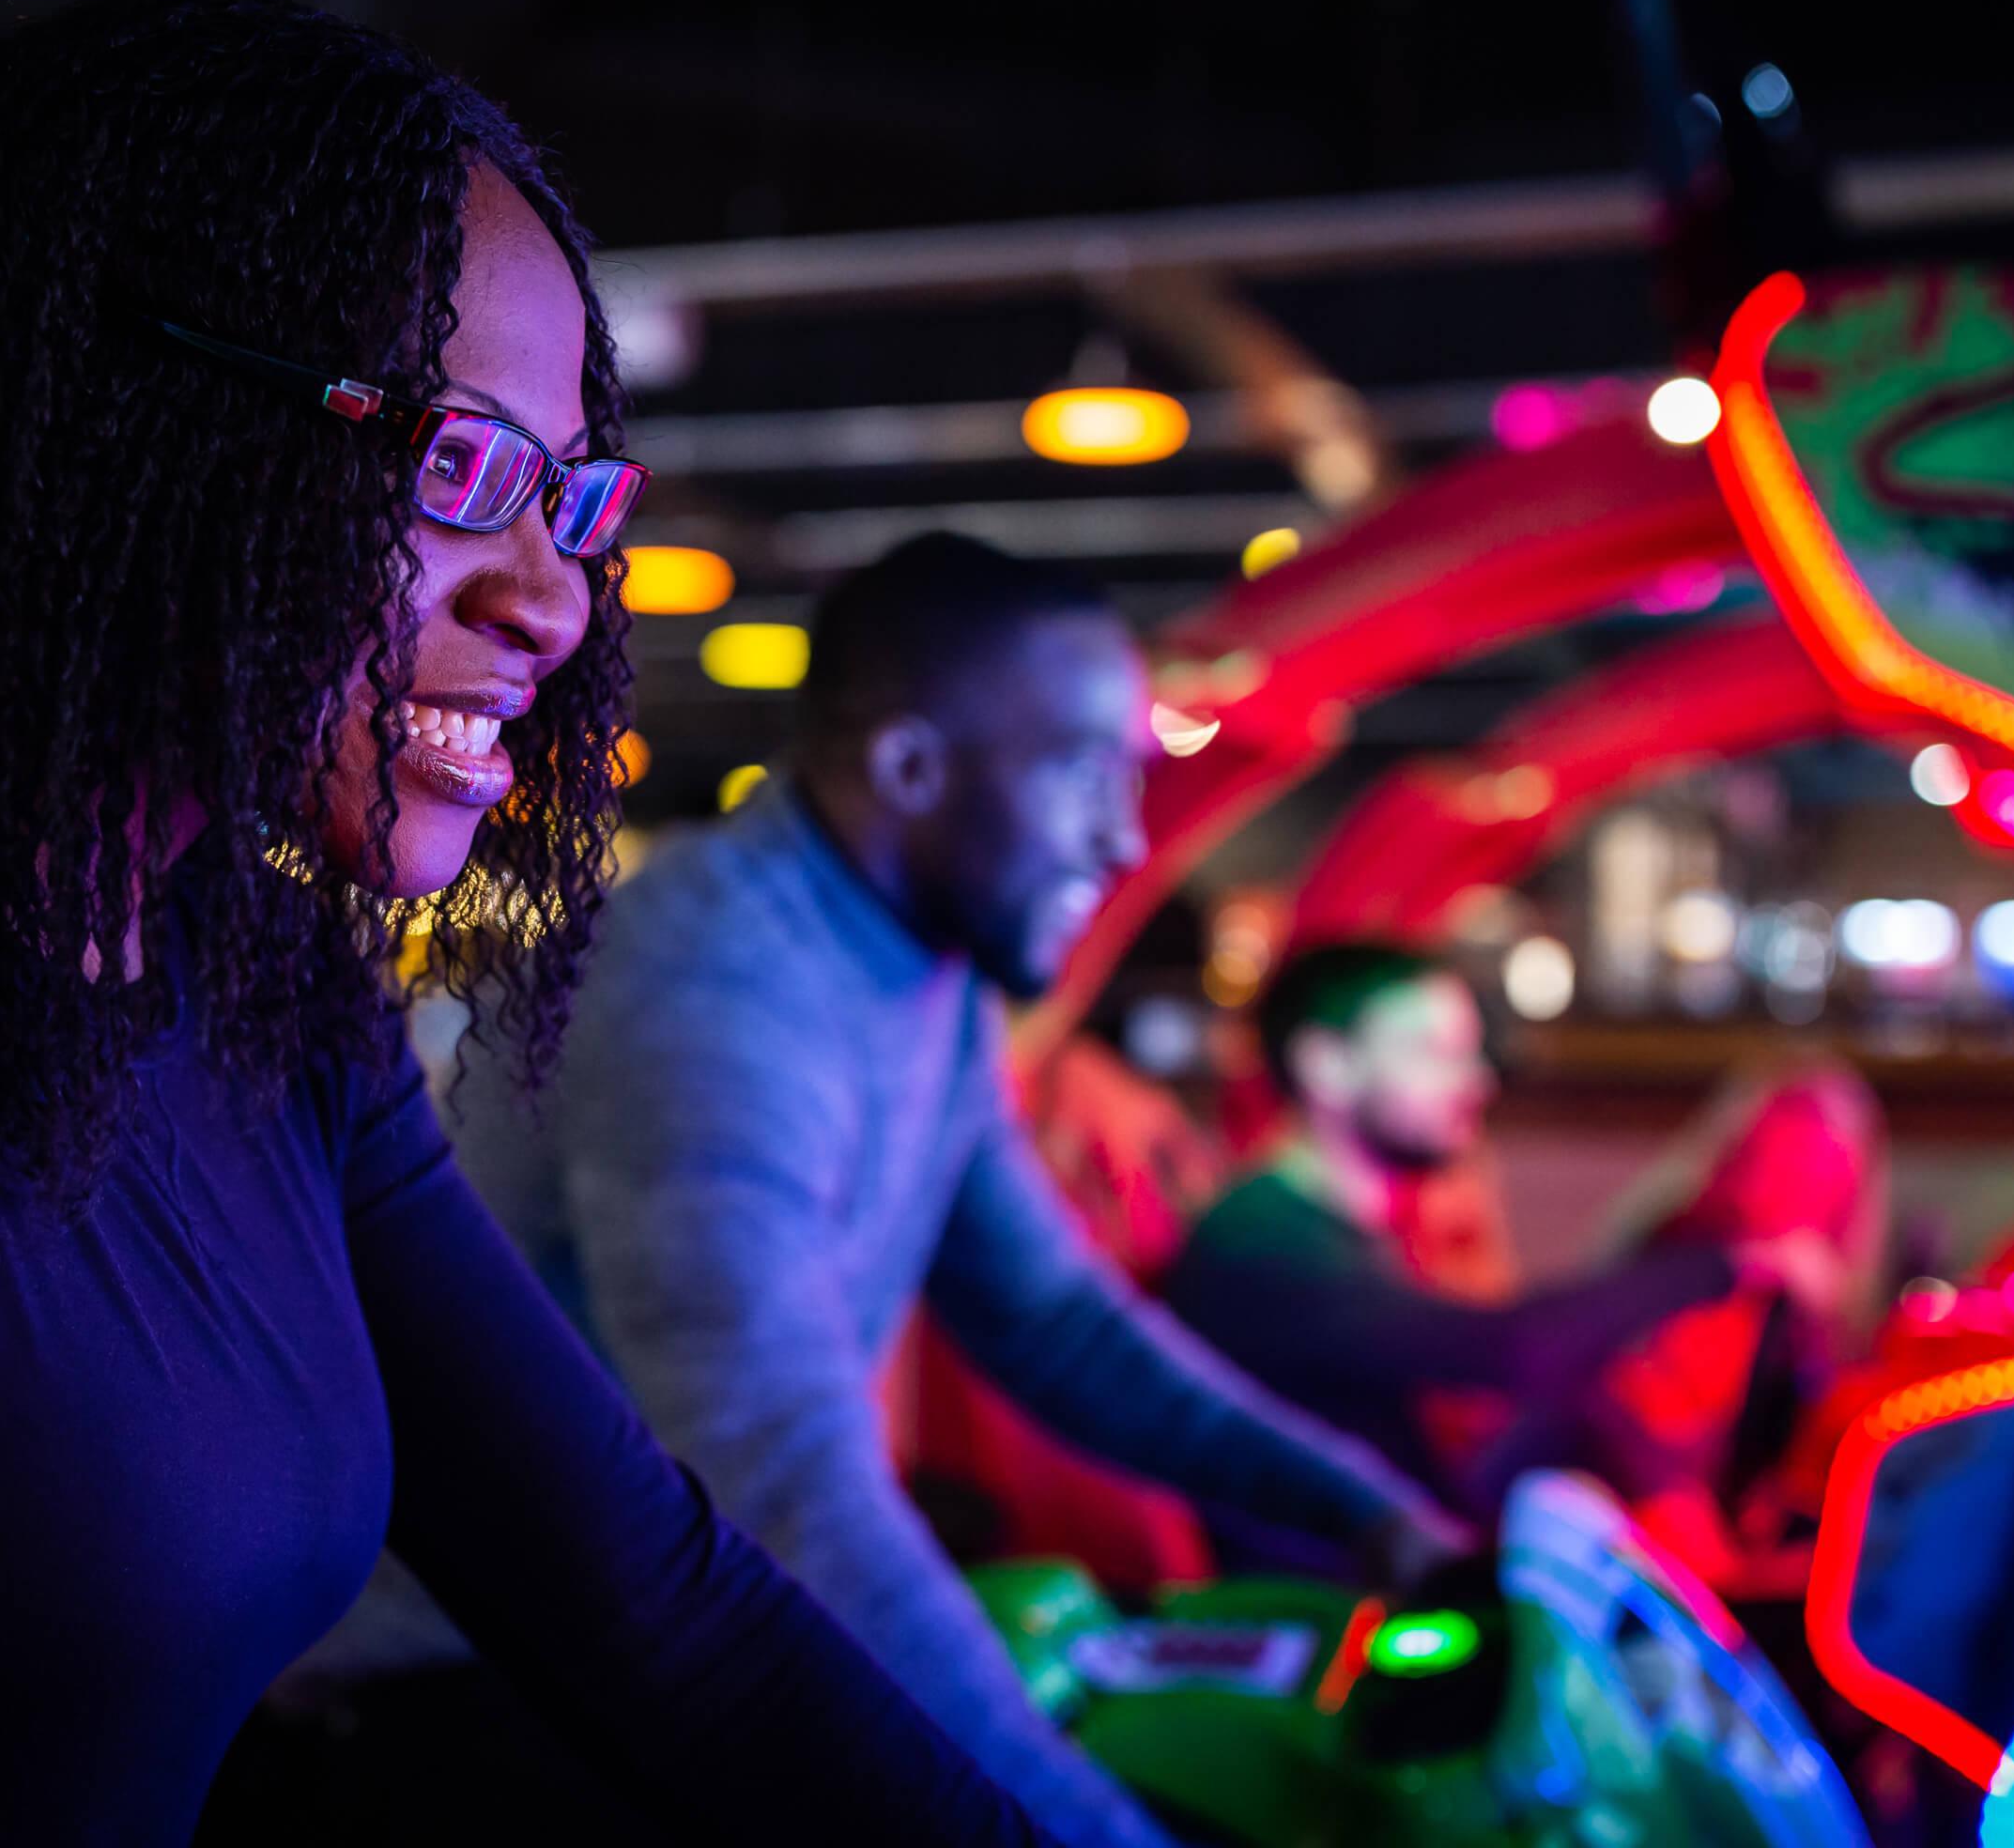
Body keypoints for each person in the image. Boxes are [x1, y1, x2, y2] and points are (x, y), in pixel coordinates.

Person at [0, 0, 1064, 1847]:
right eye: (459, 468)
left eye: (568, 499)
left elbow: (670, 1618)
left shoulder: (261, 974)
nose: (551, 595)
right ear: (129, 427)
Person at [317, 532, 1471, 1848]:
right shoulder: (714, 983)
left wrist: (1368, 1512)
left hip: (659, 1625)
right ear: (910, 770)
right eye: (1084, 776)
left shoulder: (929, 976)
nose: (1118, 836)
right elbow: (778, 1472)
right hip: (463, 1677)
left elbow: (1056, 1326)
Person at [1161, 942, 1863, 1526]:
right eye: (1437, 1053)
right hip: (1324, 1605)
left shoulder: (1350, 1226)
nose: (1475, 1082)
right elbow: (1512, 1353)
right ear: (1327, 1066)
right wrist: (1729, 1262)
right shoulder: (1257, 1247)